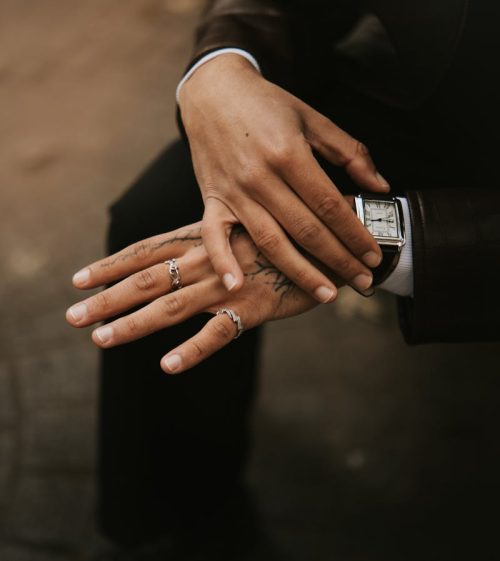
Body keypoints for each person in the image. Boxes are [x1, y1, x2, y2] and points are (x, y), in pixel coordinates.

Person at [66, 1, 500, 558]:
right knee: (163, 218)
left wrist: (386, 240)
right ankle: (183, 510)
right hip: (432, 91)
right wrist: (223, 62)